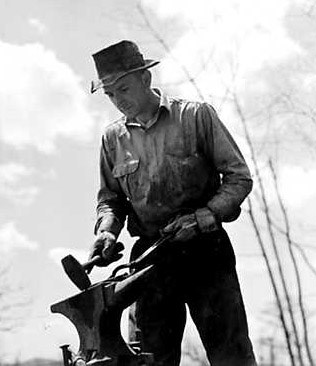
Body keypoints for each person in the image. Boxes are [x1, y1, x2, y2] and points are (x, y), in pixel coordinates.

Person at [89, 40, 257, 366]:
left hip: (206, 252)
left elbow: (239, 178)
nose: (117, 101)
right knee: (148, 358)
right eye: (110, 95)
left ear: (145, 79)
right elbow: (110, 199)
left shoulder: (195, 116)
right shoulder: (112, 140)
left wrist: (205, 215)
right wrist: (107, 232)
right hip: (149, 263)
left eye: (123, 89)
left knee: (231, 355)